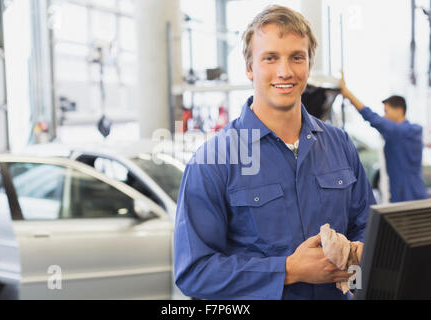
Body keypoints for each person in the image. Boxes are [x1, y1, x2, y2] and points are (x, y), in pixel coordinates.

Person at [174, 5, 376, 300]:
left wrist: (358, 254)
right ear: (249, 68)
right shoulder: (213, 160)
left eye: (297, 57)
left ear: (308, 64)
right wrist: (289, 269)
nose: (285, 71)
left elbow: (368, 228)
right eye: (270, 58)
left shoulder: (340, 145)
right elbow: (194, 271)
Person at [340, 75, 428, 203]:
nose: (384, 116)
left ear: (399, 111)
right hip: (413, 192)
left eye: (386, 111)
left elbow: (373, 118)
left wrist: (347, 94)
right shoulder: (410, 132)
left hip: (406, 197)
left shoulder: (400, 132)